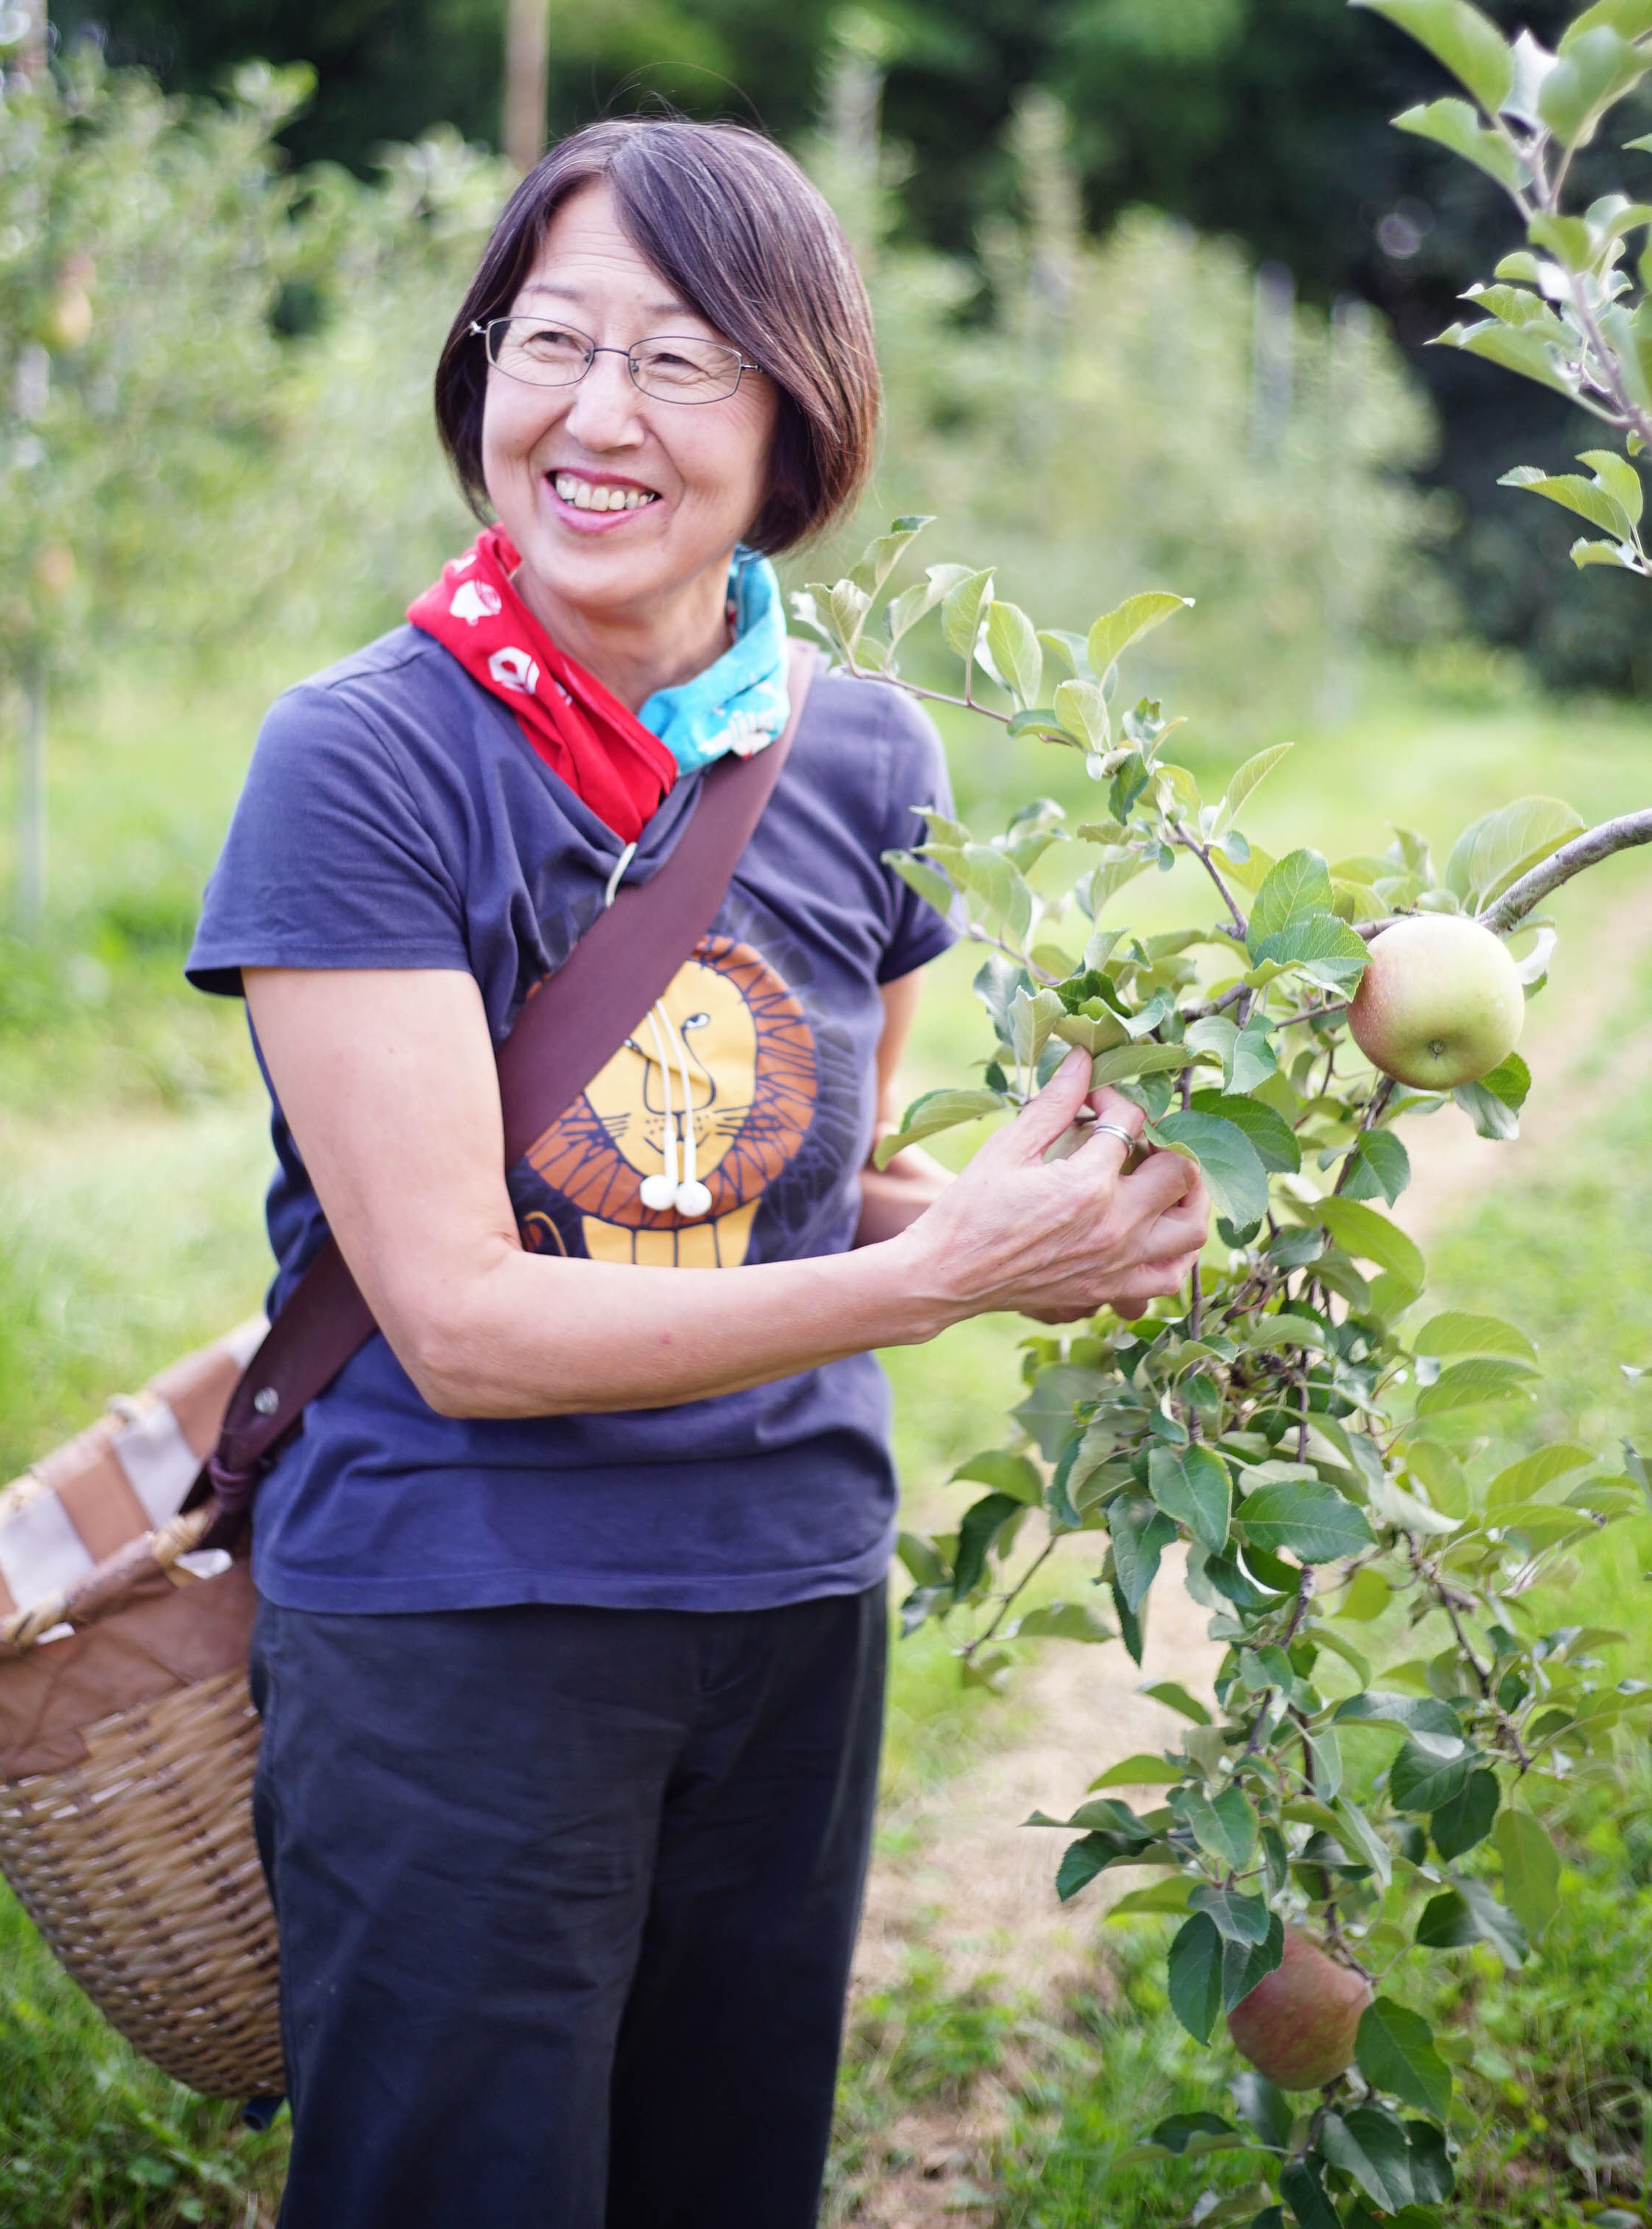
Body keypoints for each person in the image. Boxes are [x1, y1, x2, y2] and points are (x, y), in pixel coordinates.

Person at [186, 114, 1209, 2229]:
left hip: (788, 1600)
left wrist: (1065, 1222)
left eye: (678, 361)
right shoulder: (364, 758)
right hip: (466, 1615)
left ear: (792, 419)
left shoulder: (865, 755)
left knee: (721, 2186)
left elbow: (815, 1187)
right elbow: (461, 1323)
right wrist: (939, 1282)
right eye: (547, 341)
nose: (591, 413)